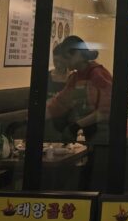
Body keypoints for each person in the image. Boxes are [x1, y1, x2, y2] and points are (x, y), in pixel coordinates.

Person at [46, 36, 113, 187]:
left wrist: (75, 126)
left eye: (65, 57)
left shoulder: (97, 74)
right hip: (91, 135)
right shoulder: (75, 77)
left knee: (98, 181)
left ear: (76, 54)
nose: (63, 62)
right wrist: (33, 118)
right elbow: (60, 103)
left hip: (105, 136)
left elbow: (105, 111)